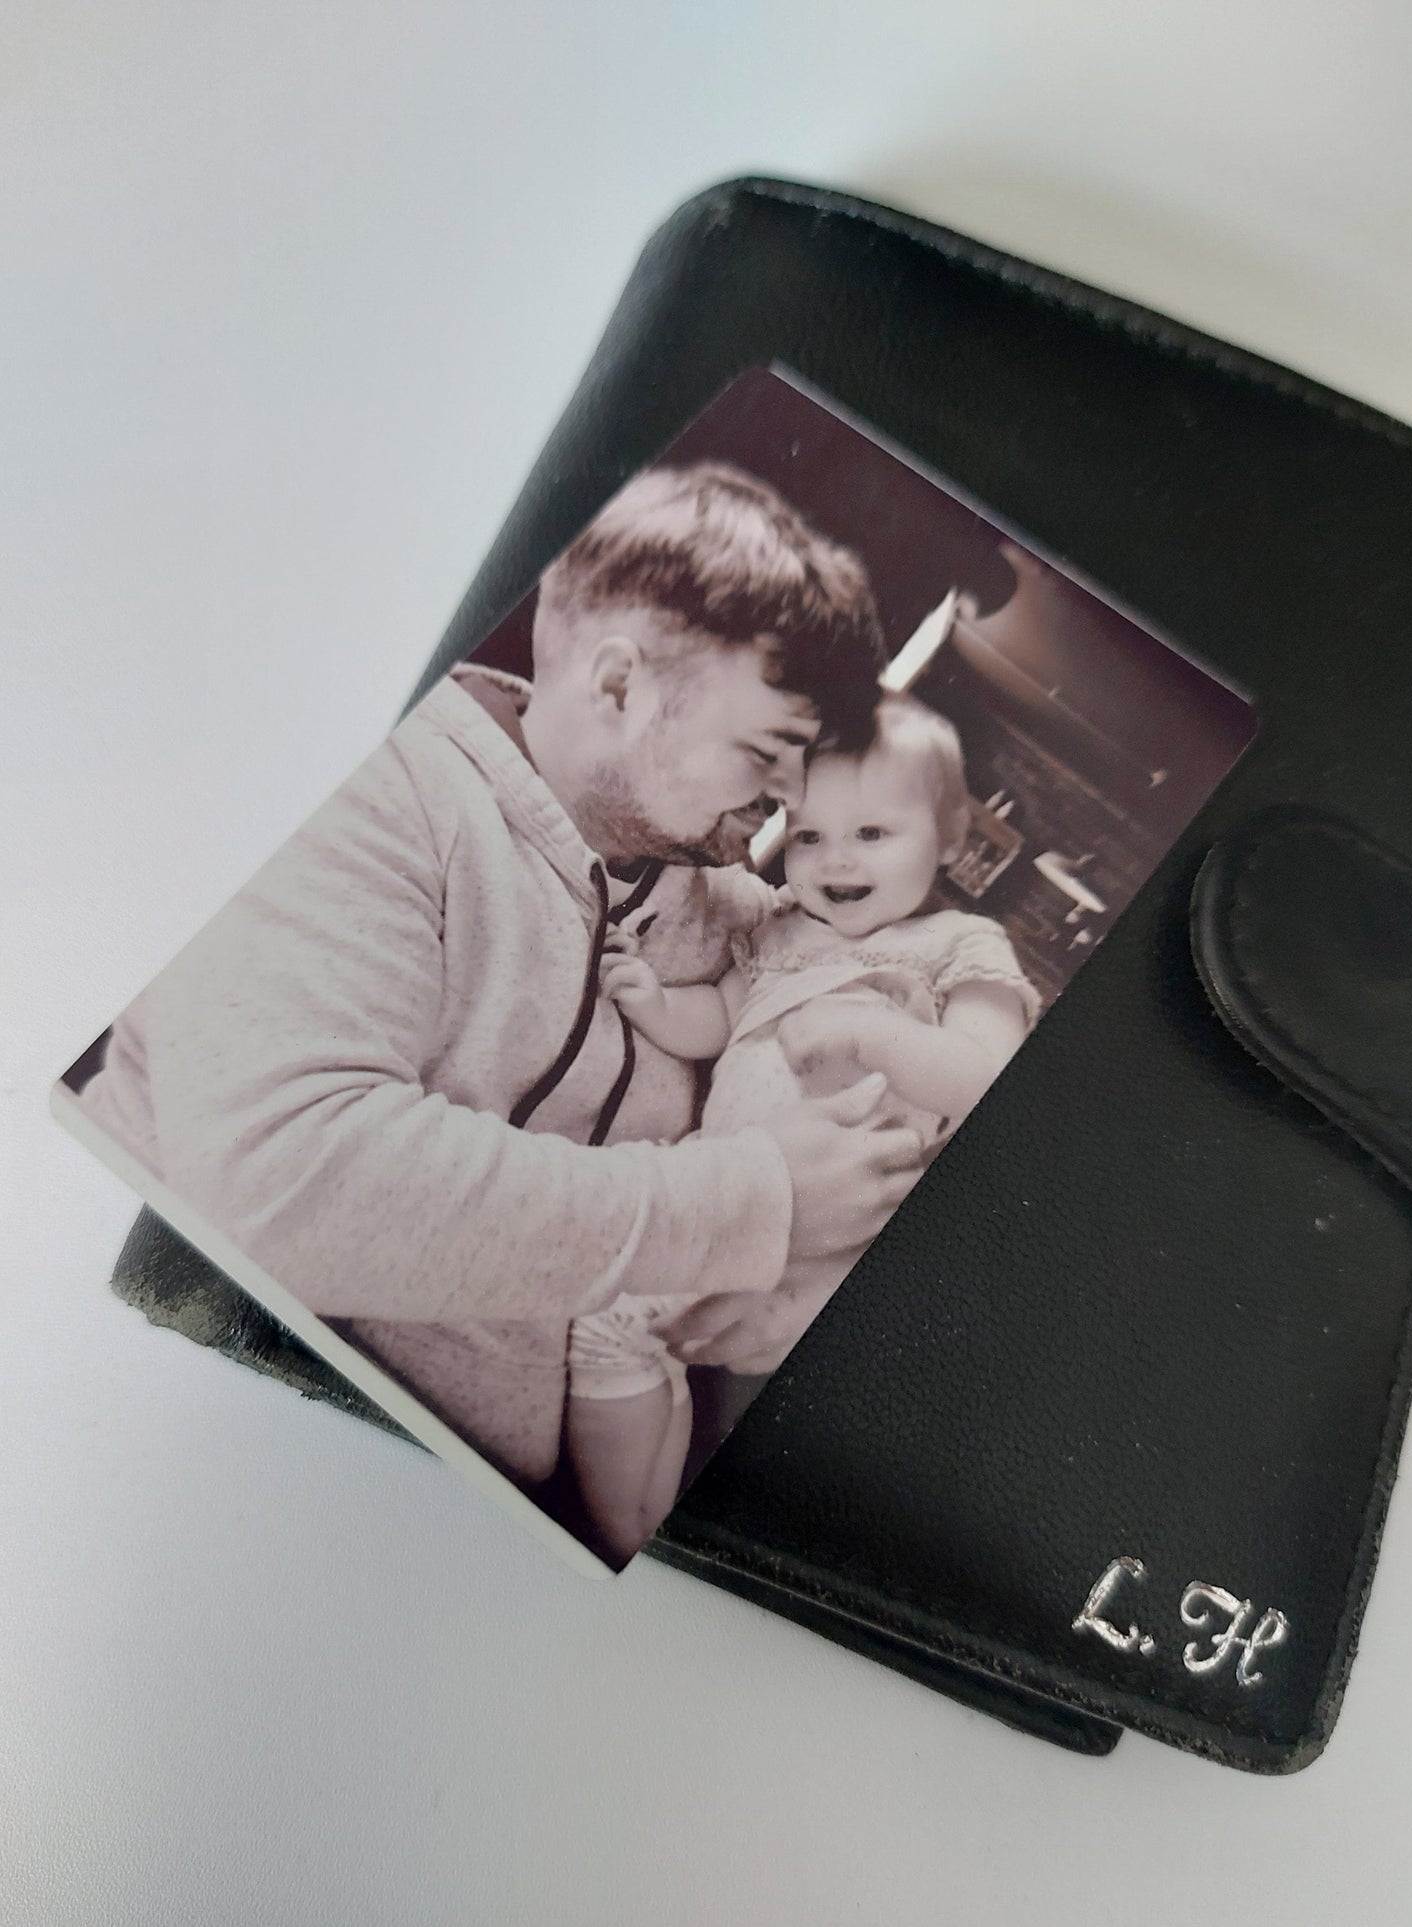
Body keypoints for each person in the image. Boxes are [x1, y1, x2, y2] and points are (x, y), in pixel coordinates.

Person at [75, 461, 923, 1500]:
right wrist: (755, 1200)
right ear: (619, 686)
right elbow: (281, 1181)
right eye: (767, 751)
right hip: (182, 1411)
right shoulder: (373, 792)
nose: (793, 799)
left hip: (487, 1501)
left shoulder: (735, 912)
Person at [571, 695, 1039, 1557]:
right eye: (809, 833)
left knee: (616, 1327)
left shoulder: (960, 944)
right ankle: (647, 1528)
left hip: (840, 1234)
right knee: (648, 1339)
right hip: (740, 1190)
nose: (834, 858)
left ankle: (618, 1533)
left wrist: (873, 1035)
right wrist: (655, 1003)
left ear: (950, 840)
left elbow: (989, 1081)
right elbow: (723, 1017)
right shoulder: (780, 932)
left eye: (871, 832)